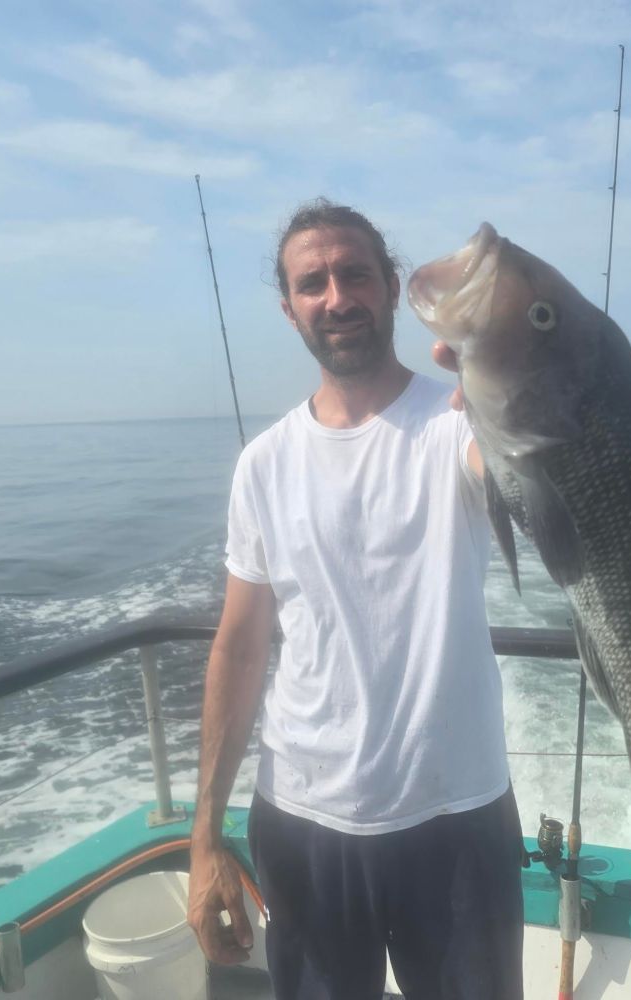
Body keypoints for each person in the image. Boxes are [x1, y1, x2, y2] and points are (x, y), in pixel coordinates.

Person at [187, 198, 524, 1000]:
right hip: (302, 825)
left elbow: (531, 486)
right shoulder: (263, 464)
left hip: (457, 817)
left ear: (393, 286)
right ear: (289, 308)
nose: (337, 297)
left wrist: (509, 386)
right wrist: (204, 838)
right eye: (313, 283)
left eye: (355, 275)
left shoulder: (460, 425)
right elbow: (239, 645)